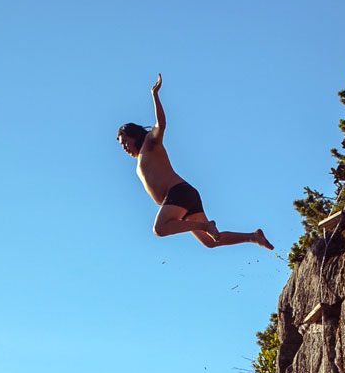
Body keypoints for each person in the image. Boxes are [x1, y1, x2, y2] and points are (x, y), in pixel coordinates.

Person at [117, 75, 274, 251]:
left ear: (134, 136)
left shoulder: (150, 143)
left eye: (125, 142)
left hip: (178, 193)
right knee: (210, 242)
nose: (124, 147)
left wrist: (155, 95)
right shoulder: (140, 159)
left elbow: (161, 124)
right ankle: (253, 237)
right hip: (183, 198)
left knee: (159, 229)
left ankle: (206, 226)